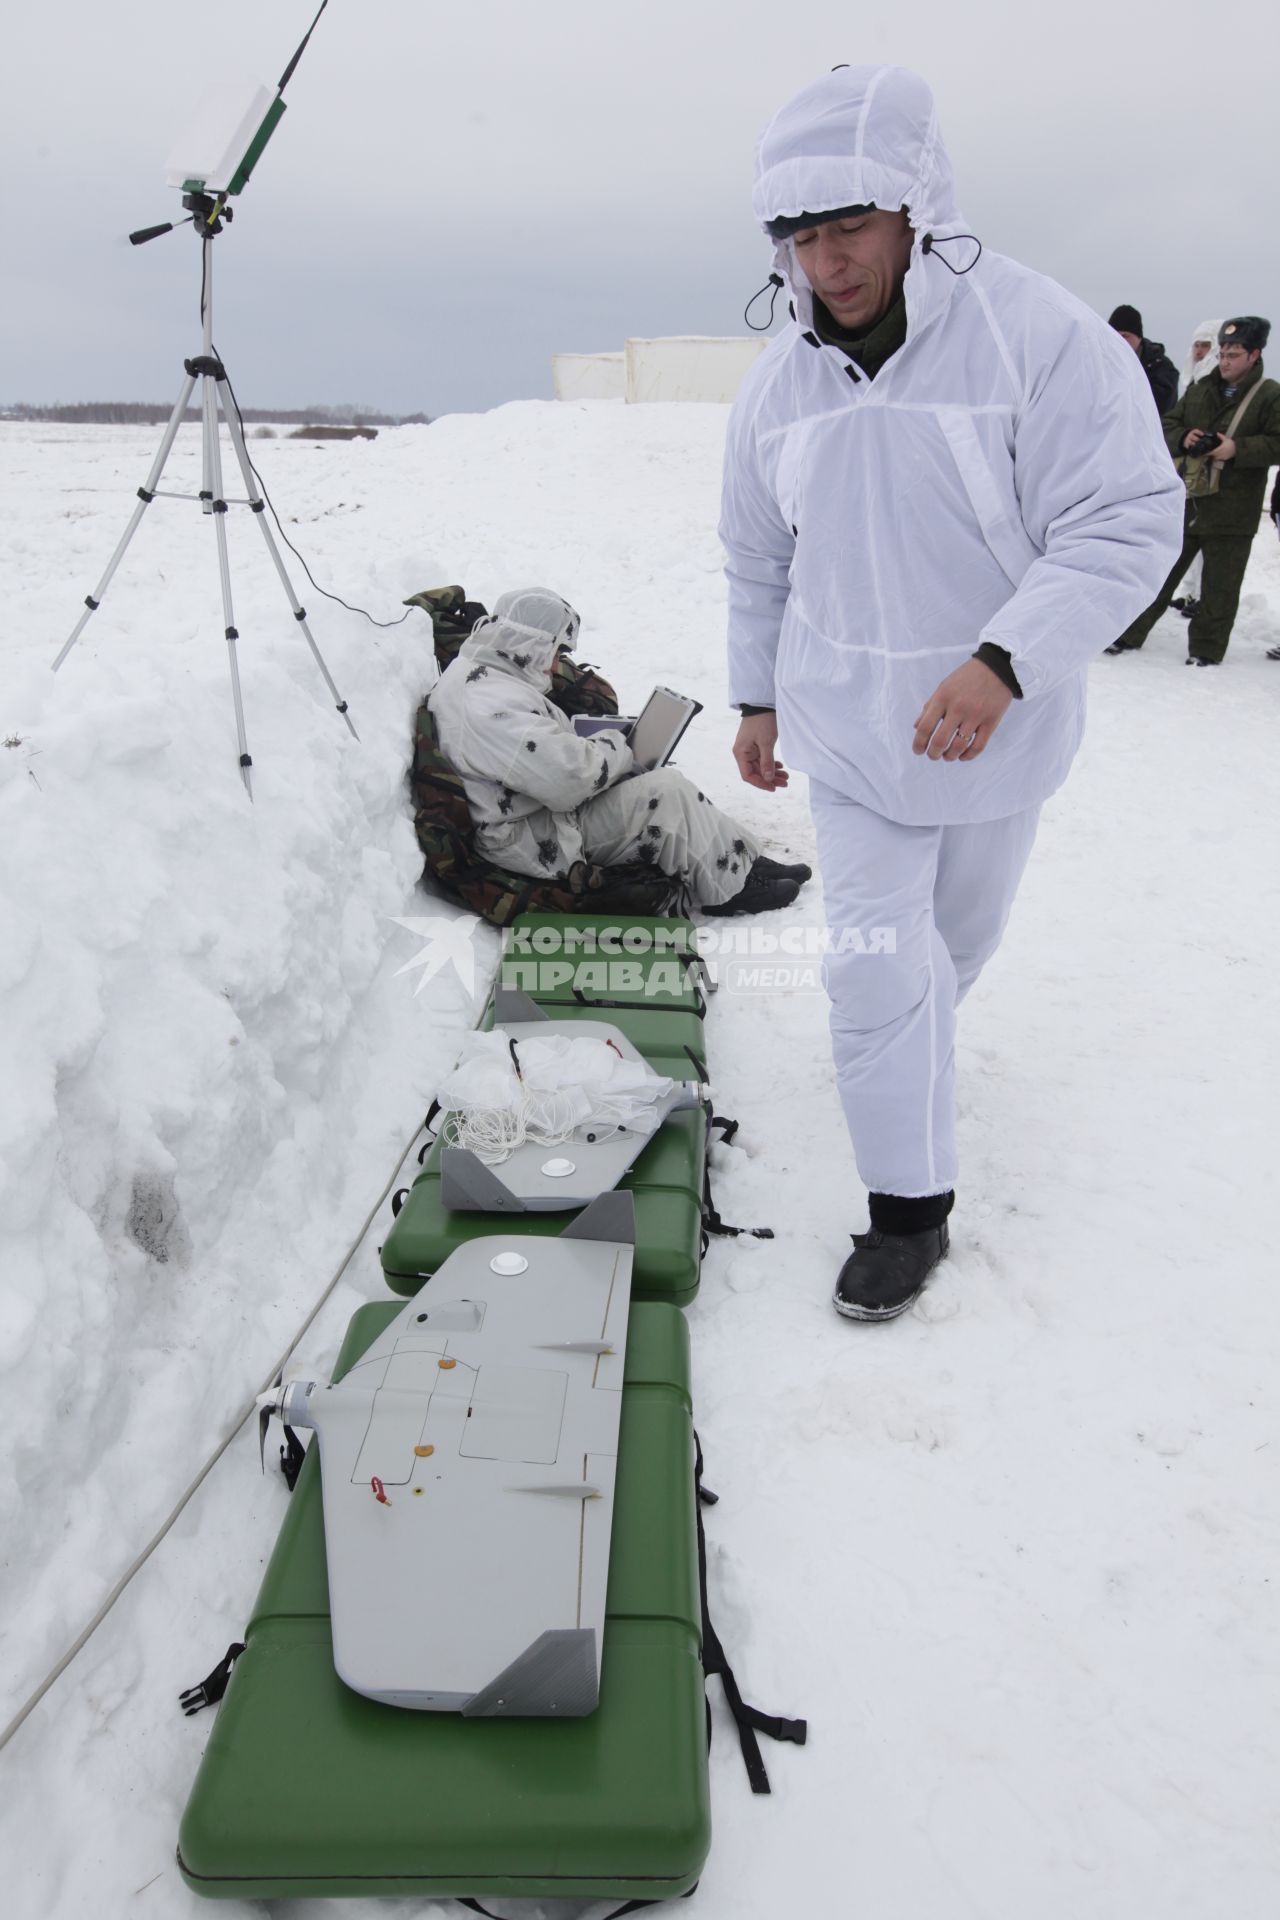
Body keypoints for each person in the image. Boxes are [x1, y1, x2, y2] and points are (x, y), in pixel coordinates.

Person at [721, 65, 1183, 1322]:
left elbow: (1128, 519)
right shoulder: (778, 384)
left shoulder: (1038, 338)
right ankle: (905, 1211)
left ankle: (902, 1044)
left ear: (917, 207)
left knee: (950, 952)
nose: (826, 263)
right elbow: (758, 554)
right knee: (874, 965)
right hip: (844, 730)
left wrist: (1002, 662)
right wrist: (754, 695)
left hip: (989, 730)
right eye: (802, 238)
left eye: (849, 229)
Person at [429, 587, 810, 916]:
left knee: (657, 786)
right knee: (664, 793)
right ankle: (730, 889)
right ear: (531, 646)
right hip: (532, 840)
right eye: (555, 651)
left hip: (532, 814)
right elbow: (570, 780)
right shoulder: (490, 705)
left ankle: (745, 859)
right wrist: (616, 744)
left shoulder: (481, 672)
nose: (556, 664)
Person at [1107, 317, 1280, 665]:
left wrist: (1237, 448)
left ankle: (1205, 651)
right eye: (1224, 353)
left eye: (1235, 354)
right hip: (1189, 501)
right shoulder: (1201, 389)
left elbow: (1277, 442)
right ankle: (1128, 634)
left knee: (1221, 588)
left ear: (1255, 354)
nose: (1227, 360)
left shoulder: (1270, 395)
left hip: (1235, 509)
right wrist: (1183, 437)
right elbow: (1169, 423)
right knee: (1159, 573)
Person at [1170, 320, 1223, 617]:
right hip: (1189, 469)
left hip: (1211, 472)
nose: (1201, 351)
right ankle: (1189, 590)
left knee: (1204, 544)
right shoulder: (1193, 378)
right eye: (1197, 345)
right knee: (1187, 535)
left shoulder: (1215, 382)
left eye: (1207, 345)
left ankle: (1198, 593)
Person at [1109, 304, 1179, 416]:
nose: (1119, 340)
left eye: (1125, 336)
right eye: (1114, 335)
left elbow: (1162, 404)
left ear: (1138, 337)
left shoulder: (1161, 366)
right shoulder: (1103, 364)